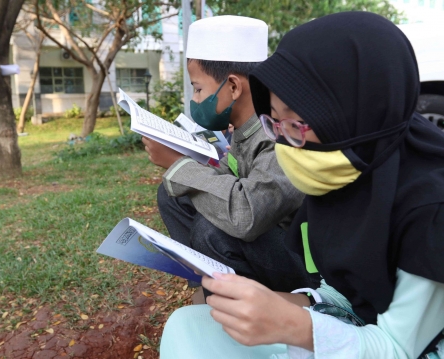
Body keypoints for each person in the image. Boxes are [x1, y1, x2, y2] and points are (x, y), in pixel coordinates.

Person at [159, 11, 444, 358]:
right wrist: (290, 303)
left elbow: (399, 349)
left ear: (351, 112)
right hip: (346, 330)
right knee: (189, 325)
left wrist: (294, 325)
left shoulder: (431, 213)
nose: (284, 144)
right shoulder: (346, 176)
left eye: (296, 124)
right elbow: (347, 290)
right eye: (274, 123)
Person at [142, 15, 313, 293]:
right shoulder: (244, 129)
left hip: (302, 261)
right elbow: (230, 174)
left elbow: (249, 214)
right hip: (270, 238)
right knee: (173, 196)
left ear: (233, 86)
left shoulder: (278, 132)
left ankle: (241, 300)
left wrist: (179, 164)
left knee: (213, 234)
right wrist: (186, 160)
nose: (195, 100)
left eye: (198, 89)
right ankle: (205, 278)